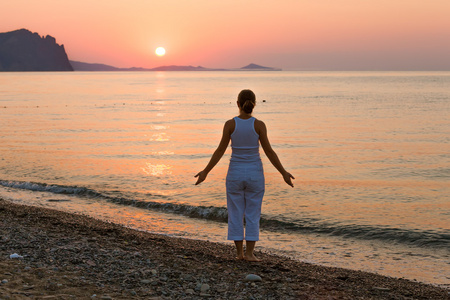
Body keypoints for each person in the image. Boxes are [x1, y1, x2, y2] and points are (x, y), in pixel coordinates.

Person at [195, 89, 294, 261]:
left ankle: (239, 254)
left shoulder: (230, 124)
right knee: (253, 213)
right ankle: (250, 254)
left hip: (235, 174)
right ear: (254, 104)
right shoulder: (259, 125)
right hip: (255, 174)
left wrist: (205, 172)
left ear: (238, 104)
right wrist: (283, 172)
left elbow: (220, 151)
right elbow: (269, 151)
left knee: (235, 213)